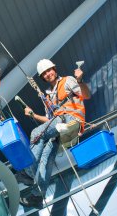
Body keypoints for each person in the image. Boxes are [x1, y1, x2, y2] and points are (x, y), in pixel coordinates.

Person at [18, 59, 88, 208]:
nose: (48, 74)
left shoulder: (68, 80)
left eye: (49, 70)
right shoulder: (48, 96)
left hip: (70, 119)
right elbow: (49, 121)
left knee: (36, 133)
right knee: (45, 158)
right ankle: (38, 196)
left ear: (54, 69)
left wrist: (80, 80)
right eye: (44, 73)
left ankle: (29, 173)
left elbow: (85, 94)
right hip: (60, 125)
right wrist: (33, 115)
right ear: (42, 77)